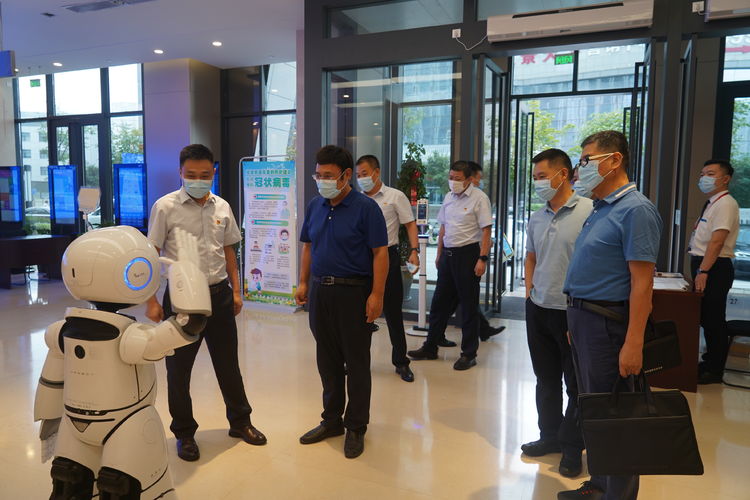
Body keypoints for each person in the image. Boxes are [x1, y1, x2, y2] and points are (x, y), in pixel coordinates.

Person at [558, 131, 662, 500]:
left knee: (615, 418)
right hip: (585, 321)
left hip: (608, 325)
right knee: (595, 411)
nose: (580, 168)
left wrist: (634, 343)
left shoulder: (636, 210)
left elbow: (642, 284)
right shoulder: (601, 207)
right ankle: (600, 485)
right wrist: (575, 319)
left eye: (587, 160)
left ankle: (618, 494)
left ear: (614, 160)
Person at [146, 144, 266, 463]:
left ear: (213, 172)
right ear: (180, 173)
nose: (198, 180)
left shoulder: (222, 206)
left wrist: (236, 292)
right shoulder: (165, 207)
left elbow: (229, 252)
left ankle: (240, 422)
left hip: (219, 295)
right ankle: (184, 433)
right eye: (191, 174)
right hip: (182, 300)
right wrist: (151, 300)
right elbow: (150, 254)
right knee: (179, 370)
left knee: (228, 365)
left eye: (204, 174)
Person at [295, 145, 388, 459]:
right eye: (318, 175)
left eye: (328, 175)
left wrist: (377, 295)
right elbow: (308, 245)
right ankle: (332, 420)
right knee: (327, 361)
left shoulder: (366, 208)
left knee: (356, 363)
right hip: (321, 292)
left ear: (346, 175)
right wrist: (303, 281)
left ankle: (356, 426)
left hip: (354, 293)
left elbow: (380, 253)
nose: (322, 181)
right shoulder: (315, 206)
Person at [522, 149, 592, 478]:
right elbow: (531, 257)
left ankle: (572, 448)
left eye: (542, 177)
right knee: (545, 380)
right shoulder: (537, 217)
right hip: (538, 308)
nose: (537, 183)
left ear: (563, 175)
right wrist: (529, 293)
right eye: (535, 177)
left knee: (574, 385)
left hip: (571, 312)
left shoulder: (589, 211)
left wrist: (578, 309)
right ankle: (548, 436)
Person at [407, 161, 492, 370]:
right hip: (448, 255)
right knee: (439, 304)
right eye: (451, 177)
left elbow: (486, 230)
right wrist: (439, 254)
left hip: (468, 255)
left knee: (468, 307)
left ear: (469, 179)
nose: (453, 182)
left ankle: (469, 353)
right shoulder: (448, 197)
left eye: (458, 178)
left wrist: (482, 258)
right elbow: (444, 227)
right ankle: (430, 347)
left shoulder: (480, 198)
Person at [356, 154, 419, 382]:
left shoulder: (395, 196)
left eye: (364, 174)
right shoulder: (356, 199)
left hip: (387, 257)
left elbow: (409, 224)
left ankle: (401, 362)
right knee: (360, 315)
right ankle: (358, 362)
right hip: (361, 259)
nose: (361, 178)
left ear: (376, 172)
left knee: (393, 313)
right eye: (358, 175)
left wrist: (414, 250)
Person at [688, 159, 740, 384]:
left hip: (715, 267)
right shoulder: (713, 202)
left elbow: (717, 242)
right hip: (707, 265)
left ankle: (714, 370)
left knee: (713, 319)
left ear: (725, 179)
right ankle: (709, 361)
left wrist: (703, 271)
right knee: (707, 317)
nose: (703, 178)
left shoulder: (726, 204)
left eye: (710, 174)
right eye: (702, 174)